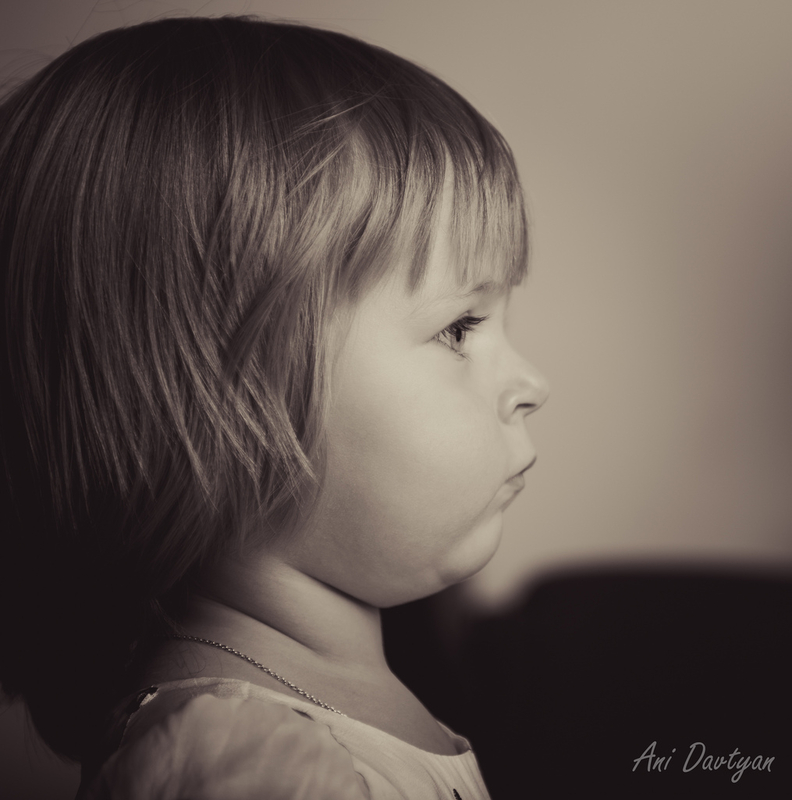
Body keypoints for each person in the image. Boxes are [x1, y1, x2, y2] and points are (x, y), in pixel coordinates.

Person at [0, 15, 547, 799]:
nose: (532, 383)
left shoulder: (315, 704)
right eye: (459, 328)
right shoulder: (246, 771)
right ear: (222, 401)